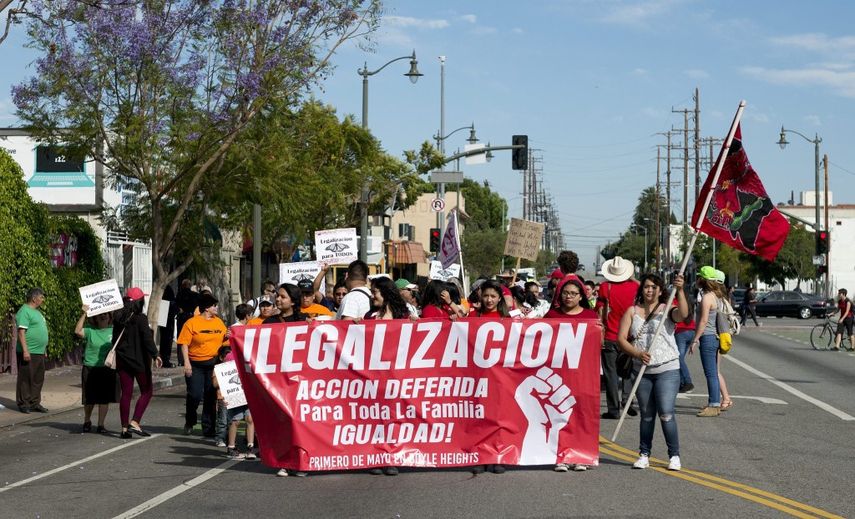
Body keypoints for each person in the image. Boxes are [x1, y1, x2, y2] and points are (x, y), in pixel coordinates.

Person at [617, 273, 689, 472]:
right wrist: (637, 353)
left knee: (666, 412)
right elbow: (621, 339)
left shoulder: (667, 310)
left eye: (654, 287)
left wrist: (681, 290)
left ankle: (674, 455)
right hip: (642, 370)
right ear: (642, 289)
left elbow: (682, 315)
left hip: (667, 368)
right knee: (647, 415)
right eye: (647, 286)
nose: (650, 290)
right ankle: (644, 454)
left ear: (660, 290)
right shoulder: (632, 311)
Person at [113, 287, 162, 438]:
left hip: (122, 361)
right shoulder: (141, 318)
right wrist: (156, 355)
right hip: (139, 362)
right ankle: (135, 421)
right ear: (140, 302)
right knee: (147, 391)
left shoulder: (118, 317)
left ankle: (124, 429)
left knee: (126, 394)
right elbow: (147, 339)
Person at [177, 292, 227, 436]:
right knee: (195, 395)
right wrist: (186, 363)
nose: (216, 308)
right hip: (195, 364)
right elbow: (184, 344)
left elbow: (224, 341)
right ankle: (190, 420)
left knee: (211, 396)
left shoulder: (219, 322)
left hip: (213, 364)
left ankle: (208, 428)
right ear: (206, 308)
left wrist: (228, 337)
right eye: (214, 305)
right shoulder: (192, 323)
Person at [597, 256, 640, 419]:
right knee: (628, 370)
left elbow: (600, 311)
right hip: (629, 336)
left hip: (609, 335)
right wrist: (633, 278)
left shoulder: (604, 287)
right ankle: (627, 400)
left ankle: (613, 409)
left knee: (611, 373)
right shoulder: (635, 288)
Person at [690, 267, 727, 417]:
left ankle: (714, 404)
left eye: (699, 277)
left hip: (708, 337)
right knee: (712, 372)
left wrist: (695, 339)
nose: (696, 279)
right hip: (714, 337)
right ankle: (715, 402)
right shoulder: (715, 296)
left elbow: (704, 321)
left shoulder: (707, 298)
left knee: (711, 373)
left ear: (703, 280)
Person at [74, 305, 118, 433]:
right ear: (96, 318)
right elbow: (77, 331)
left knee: (104, 398)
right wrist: (84, 314)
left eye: (106, 314)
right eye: (100, 314)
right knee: (89, 398)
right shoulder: (89, 330)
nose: (103, 316)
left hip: (106, 368)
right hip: (90, 367)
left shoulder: (113, 331)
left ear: (110, 316)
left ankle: (101, 425)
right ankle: (87, 421)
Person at [15, 288, 49, 414]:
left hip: (39, 351)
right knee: (26, 378)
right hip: (29, 351)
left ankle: (35, 402)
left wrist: (44, 348)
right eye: (41, 297)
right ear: (34, 298)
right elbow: (21, 332)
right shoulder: (24, 311)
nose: (42, 299)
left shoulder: (37, 312)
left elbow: (41, 331)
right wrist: (25, 350)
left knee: (38, 378)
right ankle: (24, 403)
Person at [158, 285, 178, 367]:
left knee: (164, 339)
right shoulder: (168, 289)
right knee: (167, 339)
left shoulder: (162, 289)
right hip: (167, 317)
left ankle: (164, 359)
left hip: (163, 316)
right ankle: (165, 360)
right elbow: (172, 304)